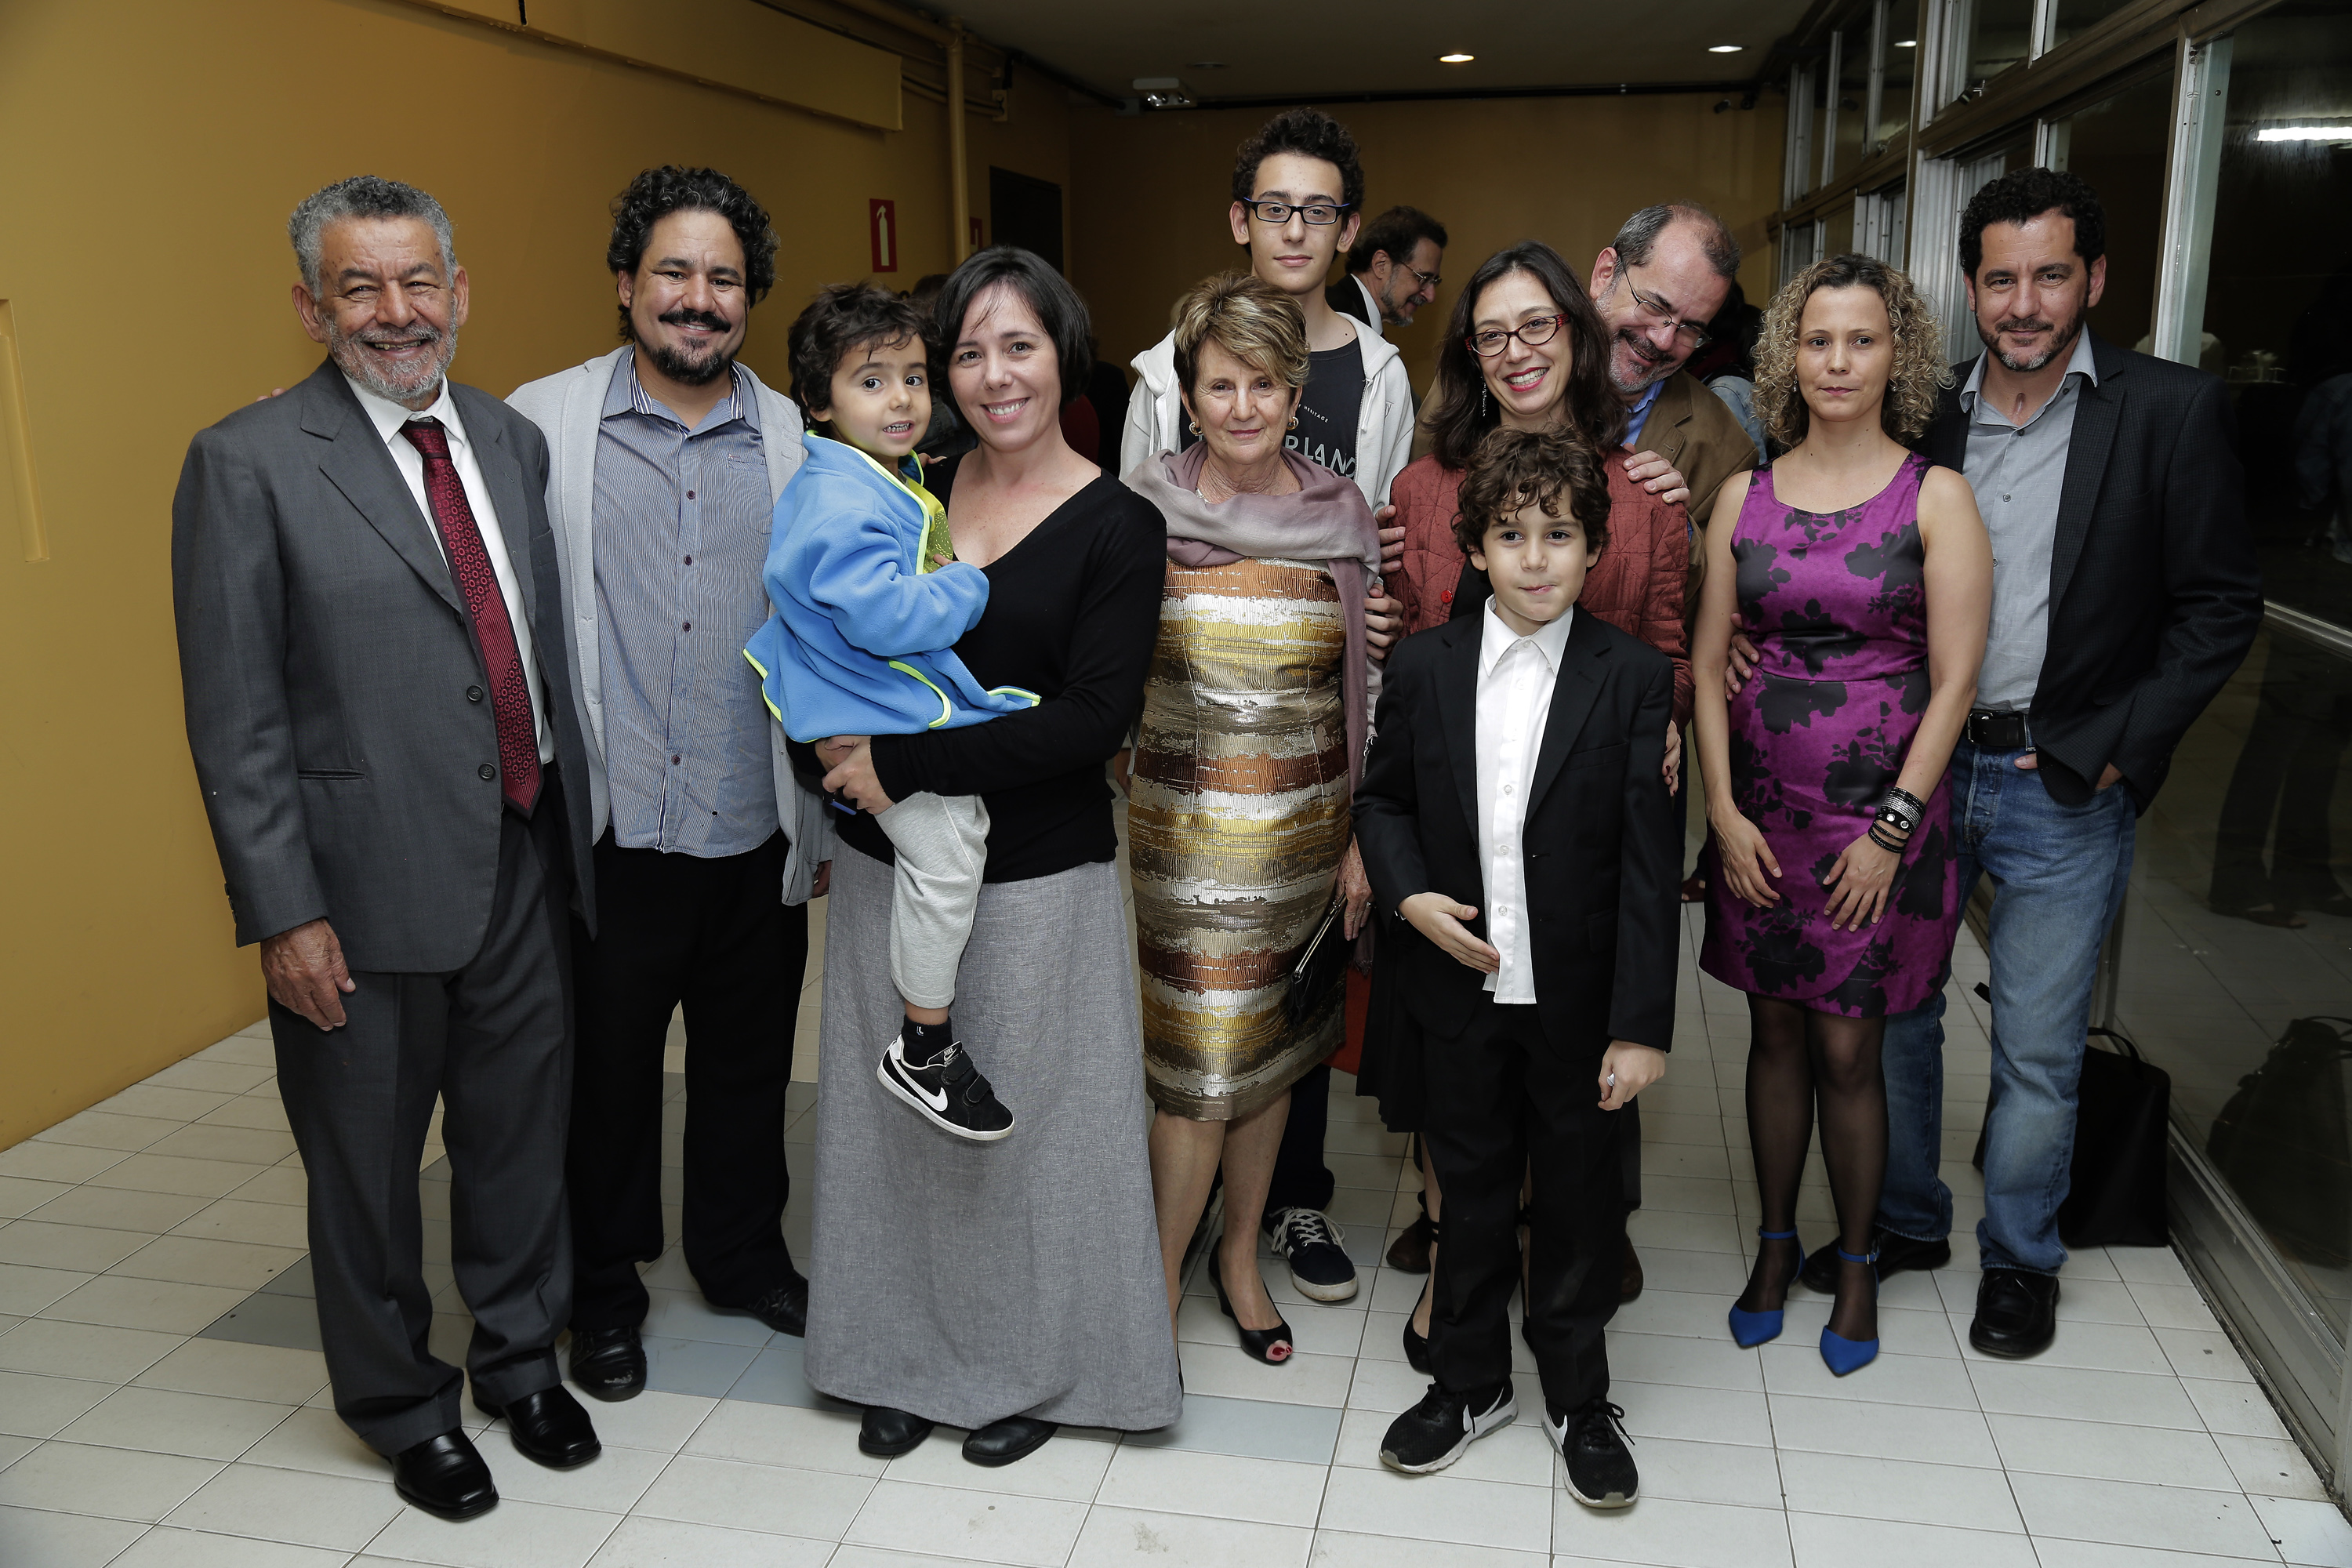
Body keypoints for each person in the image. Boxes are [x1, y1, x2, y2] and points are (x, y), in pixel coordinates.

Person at [1773, 170, 2263, 1357]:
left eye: (2051, 275)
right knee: (1896, 1018)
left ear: (2095, 279)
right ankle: (1904, 1219)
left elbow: (2219, 608)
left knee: (2039, 1049)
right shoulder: (1926, 411)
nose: (2026, 302)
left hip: (2062, 780)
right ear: (1971, 287)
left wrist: (2120, 752)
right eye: (2001, 277)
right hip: (1915, 774)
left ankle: (2021, 1262)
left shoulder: (2169, 412)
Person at [174, 176, 601, 1520]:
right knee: (363, 1174)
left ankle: (520, 1361)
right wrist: (283, 912)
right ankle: (401, 1405)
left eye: (418, 281)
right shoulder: (245, 463)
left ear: (460, 294)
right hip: (355, 903)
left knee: (520, 1141)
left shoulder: (507, 440)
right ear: (312, 307)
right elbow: (235, 718)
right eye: (359, 288)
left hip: (523, 862)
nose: (394, 311)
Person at [805, 246, 1181, 1467]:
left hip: (1037, 879)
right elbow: (822, 629)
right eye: (965, 352)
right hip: (888, 873)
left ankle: (1039, 1367)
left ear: (1064, 352)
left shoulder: (1120, 523)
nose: (991, 375)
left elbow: (1092, 720)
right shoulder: (897, 483)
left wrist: (902, 767)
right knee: (900, 1137)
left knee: (1036, 1143)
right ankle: (900, 1357)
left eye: (1017, 346)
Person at [506, 168, 829, 1404]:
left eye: (725, 279)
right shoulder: (539, 427)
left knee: (751, 1069)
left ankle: (743, 1257)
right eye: (675, 274)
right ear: (626, 285)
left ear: (751, 297)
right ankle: (604, 1293)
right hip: (615, 828)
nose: (699, 300)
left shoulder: (803, 439)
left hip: (755, 826)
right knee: (608, 1081)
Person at [1365, 240, 1690, 1336]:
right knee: (1457, 1067)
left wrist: (1671, 731)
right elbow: (1412, 647)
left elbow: (1662, 647)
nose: (1516, 353)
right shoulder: (1421, 484)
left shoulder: (1641, 492)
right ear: (1469, 353)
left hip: (1583, 823)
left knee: (1564, 1074)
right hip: (1458, 826)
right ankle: (1459, 1263)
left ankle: (1565, 1270)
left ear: (1577, 332)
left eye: (1537, 326)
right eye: (1491, 333)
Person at [1123, 106, 1416, 1306]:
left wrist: (1356, 833)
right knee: (1196, 1063)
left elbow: (1369, 674)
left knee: (1284, 1053)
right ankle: (1150, 1285)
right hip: (1182, 834)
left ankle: (1243, 1259)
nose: (1242, 407)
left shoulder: (1344, 517)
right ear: (1188, 393)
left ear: (1298, 392)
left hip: (1303, 827)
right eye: (1220, 386)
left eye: (1265, 386)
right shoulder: (1137, 510)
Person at [1356, 426, 1678, 1509]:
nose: (1536, 557)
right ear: (1477, 550)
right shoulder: (1426, 664)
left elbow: (1646, 863)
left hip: (1579, 1002)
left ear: (1593, 551)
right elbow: (1384, 798)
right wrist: (1403, 893)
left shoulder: (1631, 678)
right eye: (1511, 535)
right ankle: (1467, 1380)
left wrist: (1640, 1027)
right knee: (1472, 1194)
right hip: (1458, 992)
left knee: (1580, 1204)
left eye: (1560, 535)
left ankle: (1580, 1397)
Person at [1693, 252, 1992, 1377]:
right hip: (1762, 817)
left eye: (1861, 340)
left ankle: (1858, 1265)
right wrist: (1721, 810)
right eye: (1817, 339)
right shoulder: (1744, 495)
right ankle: (1776, 1247)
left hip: (1882, 829)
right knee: (1771, 1035)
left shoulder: (1937, 497)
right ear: (1789, 355)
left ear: (1896, 357)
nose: (1837, 361)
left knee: (1849, 1052)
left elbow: (1956, 680)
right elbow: (1710, 659)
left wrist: (1894, 831)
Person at [748, 282, 1023, 1141]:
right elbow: (883, 617)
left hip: (862, 701)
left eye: (913, 375)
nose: (902, 398)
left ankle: (922, 1028)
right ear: (816, 403)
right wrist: (968, 579)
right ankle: (923, 1041)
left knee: (954, 837)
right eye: (871, 381)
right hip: (862, 708)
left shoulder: (875, 473)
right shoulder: (839, 497)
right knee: (947, 854)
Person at [1329, 204, 1449, 337]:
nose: (1431, 296)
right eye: (1423, 278)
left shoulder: (1354, 319)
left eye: (1435, 281)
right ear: (1381, 265)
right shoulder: (1333, 318)